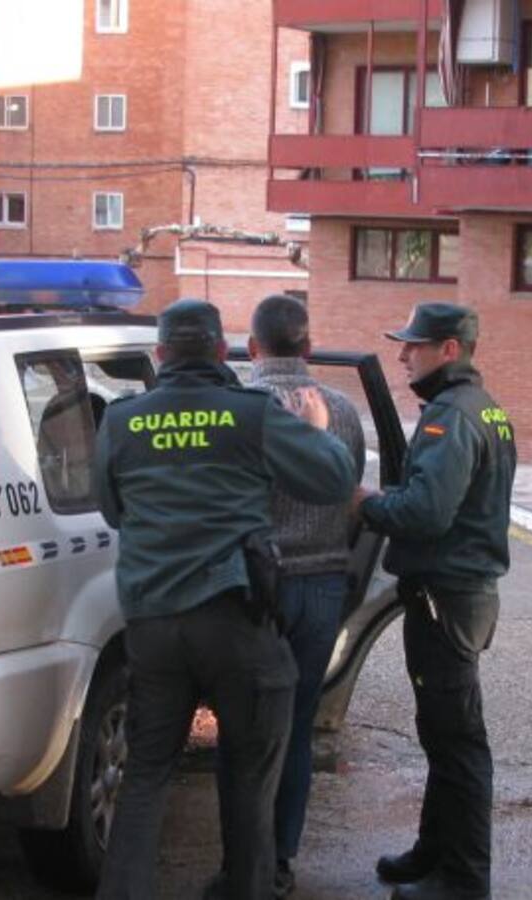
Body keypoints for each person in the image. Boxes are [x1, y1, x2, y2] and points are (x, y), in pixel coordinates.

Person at [93, 299, 358, 900]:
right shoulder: (252, 414)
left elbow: (113, 509)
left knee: (145, 776)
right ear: (222, 352)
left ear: (160, 356)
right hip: (235, 620)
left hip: (153, 623)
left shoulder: (121, 419)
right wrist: (314, 432)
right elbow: (335, 481)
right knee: (247, 776)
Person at [354, 303, 516, 900]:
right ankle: (433, 852)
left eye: (414, 346)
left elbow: (425, 512)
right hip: (457, 596)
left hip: (446, 599)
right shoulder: (483, 409)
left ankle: (463, 880)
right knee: (442, 736)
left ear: (450, 349)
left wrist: (365, 502)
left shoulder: (453, 418)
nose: (403, 356)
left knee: (458, 744)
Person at [214, 294, 366, 898]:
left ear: (251, 348)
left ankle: (240, 866)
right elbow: (350, 494)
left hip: (254, 590)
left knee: (241, 728)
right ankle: (280, 860)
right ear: (307, 347)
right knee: (296, 727)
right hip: (322, 588)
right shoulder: (342, 410)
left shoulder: (236, 409)